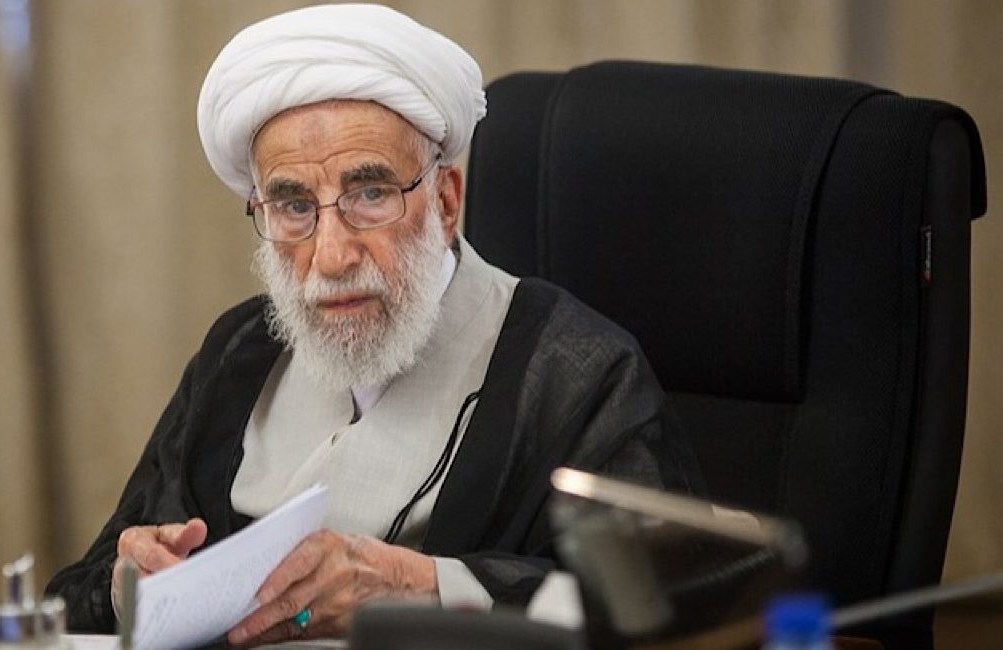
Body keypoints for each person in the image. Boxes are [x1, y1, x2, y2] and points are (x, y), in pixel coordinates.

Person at [46, 4, 701, 646]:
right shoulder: (239, 353)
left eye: (370, 195)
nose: (332, 257)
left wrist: (424, 587)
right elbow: (74, 596)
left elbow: (667, 610)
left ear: (446, 201)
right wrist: (129, 583)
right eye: (293, 205)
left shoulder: (579, 374)